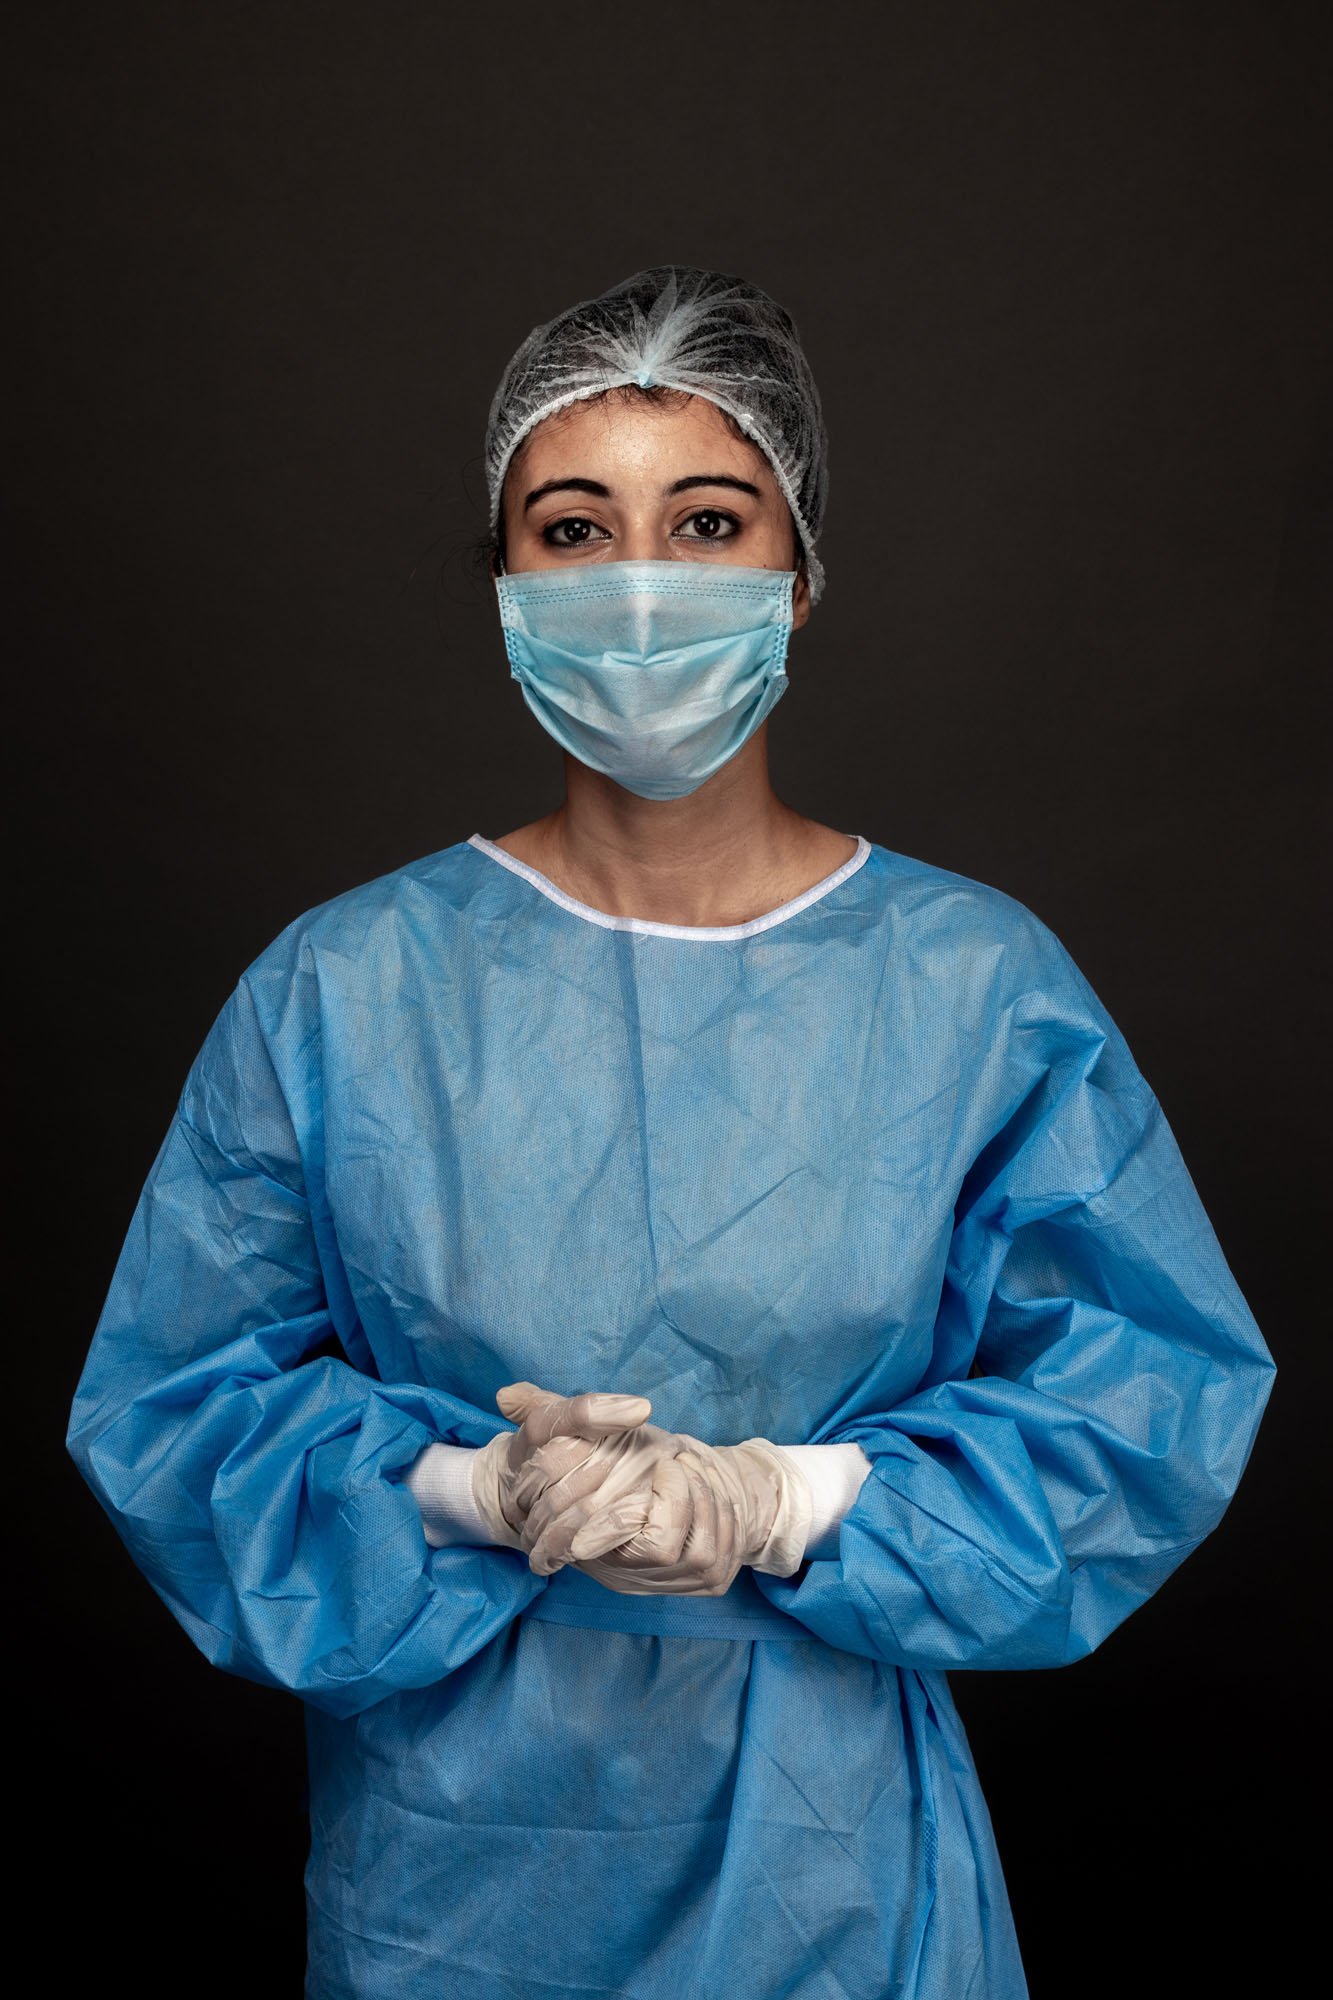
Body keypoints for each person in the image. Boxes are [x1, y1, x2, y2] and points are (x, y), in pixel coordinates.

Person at [67, 265, 1276, 1999]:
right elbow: (174, 1407)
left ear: (801, 572)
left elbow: (1140, 1399)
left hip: (834, 1873)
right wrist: (469, 1488)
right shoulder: (344, 986)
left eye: (707, 521)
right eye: (573, 529)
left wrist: (784, 1497)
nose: (638, 584)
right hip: (453, 1883)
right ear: (503, 586)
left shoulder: (971, 984)